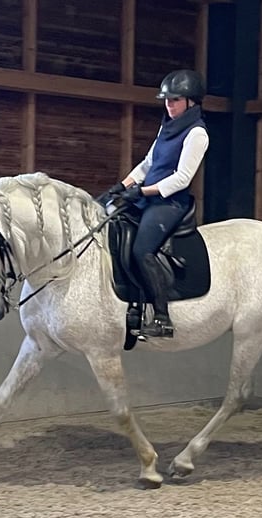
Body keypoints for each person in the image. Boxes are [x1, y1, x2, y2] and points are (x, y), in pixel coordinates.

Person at [106, 69, 209, 339]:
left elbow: (182, 179)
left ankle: (162, 317)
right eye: (167, 99)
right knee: (109, 215)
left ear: (191, 102)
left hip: (170, 203)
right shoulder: (167, 126)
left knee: (142, 250)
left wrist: (143, 192)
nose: (168, 104)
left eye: (174, 100)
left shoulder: (197, 134)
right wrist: (124, 185)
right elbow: (148, 163)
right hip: (147, 196)